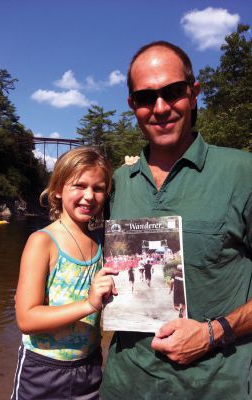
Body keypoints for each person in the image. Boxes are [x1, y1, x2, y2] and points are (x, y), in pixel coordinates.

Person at [100, 41, 252, 399]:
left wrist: (213, 333)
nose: (161, 107)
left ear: (195, 93)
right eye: (145, 97)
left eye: (173, 92)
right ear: (132, 106)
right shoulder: (115, 184)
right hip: (123, 387)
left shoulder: (242, 172)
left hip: (215, 388)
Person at [11, 147, 117, 400]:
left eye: (98, 188)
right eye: (79, 186)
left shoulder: (104, 242)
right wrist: (89, 304)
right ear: (58, 189)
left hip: (89, 366)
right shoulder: (42, 241)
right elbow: (27, 319)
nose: (89, 196)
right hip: (41, 369)